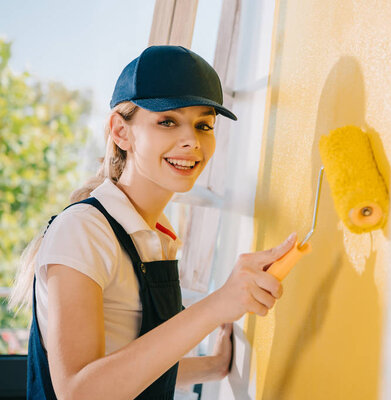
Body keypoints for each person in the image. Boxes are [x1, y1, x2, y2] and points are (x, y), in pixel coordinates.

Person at [9, 45, 296, 399]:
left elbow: (130, 365)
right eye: (167, 121)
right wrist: (218, 304)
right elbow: (79, 392)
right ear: (121, 131)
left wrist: (214, 366)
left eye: (203, 125)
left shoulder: (157, 236)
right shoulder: (84, 229)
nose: (192, 140)